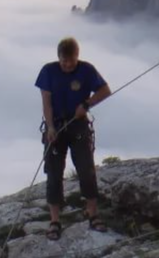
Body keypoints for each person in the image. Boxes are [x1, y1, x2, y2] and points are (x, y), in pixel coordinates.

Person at [35, 37, 112, 241]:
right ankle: (54, 220)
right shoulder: (48, 71)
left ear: (77, 56)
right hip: (57, 125)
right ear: (58, 57)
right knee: (53, 173)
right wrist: (50, 127)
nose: (68, 65)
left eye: (71, 60)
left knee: (86, 169)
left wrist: (86, 104)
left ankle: (93, 214)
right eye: (64, 61)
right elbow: (47, 103)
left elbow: (105, 90)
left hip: (78, 124)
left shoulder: (86, 70)